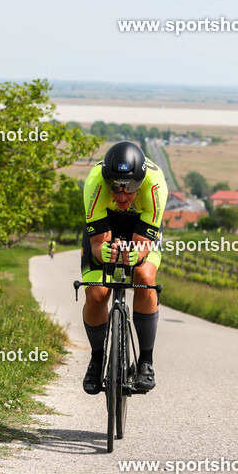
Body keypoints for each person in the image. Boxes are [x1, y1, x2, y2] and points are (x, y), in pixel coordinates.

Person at [80, 141, 167, 394]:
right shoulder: (95, 183)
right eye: (115, 189)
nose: (121, 196)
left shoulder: (156, 186)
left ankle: (146, 362)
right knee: (95, 292)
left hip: (141, 226)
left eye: (130, 190)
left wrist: (134, 255)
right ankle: (97, 359)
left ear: (141, 181)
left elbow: (143, 247)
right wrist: (104, 251)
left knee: (144, 276)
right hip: (107, 224)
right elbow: (97, 244)